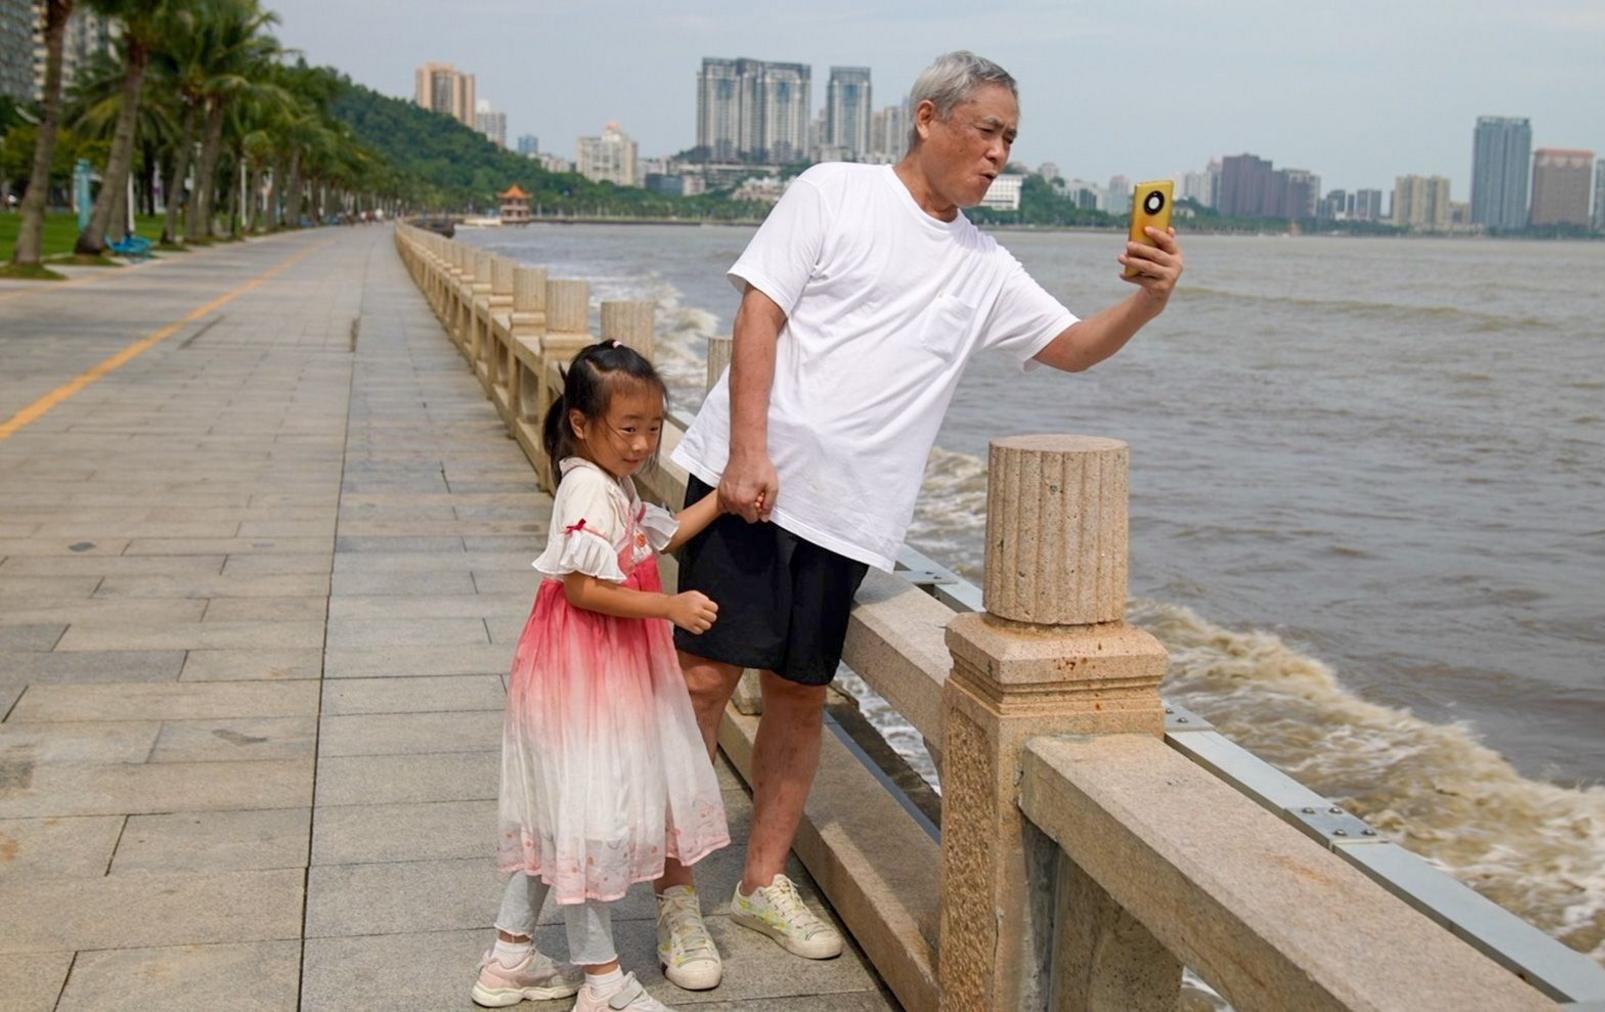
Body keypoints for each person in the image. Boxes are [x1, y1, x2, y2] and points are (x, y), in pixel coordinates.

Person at [653, 50, 1186, 985]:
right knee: (701, 683)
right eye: (988, 131)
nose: (999, 154)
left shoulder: (983, 263)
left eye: (1011, 140)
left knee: (798, 696)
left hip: (849, 519)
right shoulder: (834, 192)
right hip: (751, 485)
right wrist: (745, 450)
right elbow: (760, 313)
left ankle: (761, 883)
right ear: (928, 118)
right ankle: (672, 894)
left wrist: (1148, 299)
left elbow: (1070, 349)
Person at [472, 341, 731, 1012]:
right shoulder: (587, 487)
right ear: (583, 424)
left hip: (589, 671)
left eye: (654, 427)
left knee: (560, 817)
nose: (644, 442)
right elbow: (583, 587)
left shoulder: (610, 480)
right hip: (582, 678)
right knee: (591, 820)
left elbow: (662, 537)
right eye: (629, 428)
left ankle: (509, 958)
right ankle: (604, 981)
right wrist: (669, 606)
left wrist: (724, 503)